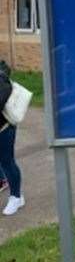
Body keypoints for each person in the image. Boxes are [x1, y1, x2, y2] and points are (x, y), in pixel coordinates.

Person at [0, 60, 24, 216]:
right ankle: (2, 180)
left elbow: (3, 96)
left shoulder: (1, 76)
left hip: (4, 127)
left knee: (7, 161)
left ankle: (16, 196)